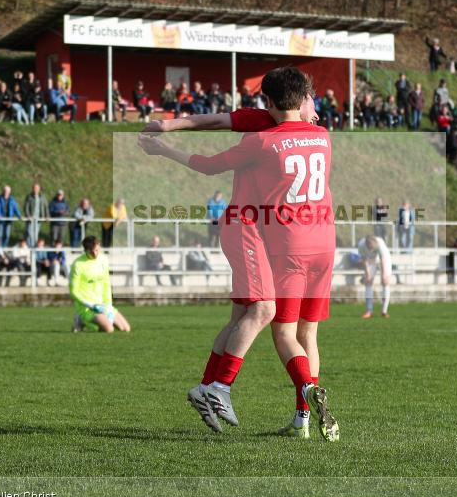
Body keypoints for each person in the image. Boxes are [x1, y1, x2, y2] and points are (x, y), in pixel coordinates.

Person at [139, 68, 338, 441]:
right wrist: (166, 132)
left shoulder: (262, 137)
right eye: (310, 97)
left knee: (252, 317)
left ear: (269, 101)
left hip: (276, 238)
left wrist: (166, 139)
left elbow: (213, 132)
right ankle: (289, 399)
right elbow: (218, 120)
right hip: (281, 235)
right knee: (275, 318)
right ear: (302, 100)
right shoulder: (322, 135)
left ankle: (215, 389)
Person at [69, 235, 130, 333]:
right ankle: (81, 320)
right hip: (87, 307)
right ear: (85, 250)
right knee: (109, 329)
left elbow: (106, 283)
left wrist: (108, 304)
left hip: (102, 304)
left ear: (99, 246)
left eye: (97, 250)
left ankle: (91, 321)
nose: (95, 254)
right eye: (91, 251)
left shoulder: (103, 260)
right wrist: (89, 305)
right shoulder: (78, 265)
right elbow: (73, 292)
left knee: (126, 329)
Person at [358, 235, 392, 318]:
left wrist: (384, 275)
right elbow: (364, 259)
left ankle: (384, 311)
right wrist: (368, 274)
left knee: (385, 282)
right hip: (370, 260)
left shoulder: (380, 244)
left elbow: (382, 259)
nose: (371, 250)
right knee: (368, 282)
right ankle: (369, 311)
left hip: (384, 258)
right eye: (370, 248)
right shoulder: (361, 245)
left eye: (373, 248)